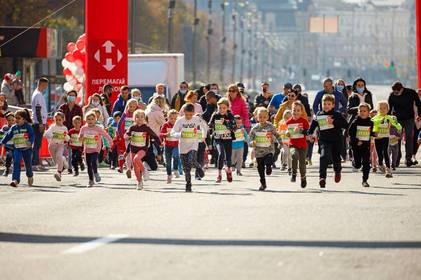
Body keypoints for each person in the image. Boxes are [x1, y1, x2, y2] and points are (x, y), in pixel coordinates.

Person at [308, 94, 348, 188]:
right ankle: (322, 178)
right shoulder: (319, 114)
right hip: (324, 140)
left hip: (336, 140)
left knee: (336, 159)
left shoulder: (337, 114)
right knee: (323, 157)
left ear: (333, 105)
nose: (326, 106)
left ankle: (337, 171)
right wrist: (309, 133)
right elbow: (313, 125)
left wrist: (333, 122)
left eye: (328, 104)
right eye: (324, 103)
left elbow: (345, 125)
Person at [171, 103, 206, 192]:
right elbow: (172, 132)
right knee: (186, 169)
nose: (189, 116)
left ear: (193, 113)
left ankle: (198, 168)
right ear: (183, 112)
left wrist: (203, 135)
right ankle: (188, 184)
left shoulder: (197, 119)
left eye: (190, 114)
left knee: (192, 159)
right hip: (183, 146)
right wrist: (179, 134)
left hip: (193, 144)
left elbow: (204, 126)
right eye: (187, 114)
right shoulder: (180, 121)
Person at [125, 109, 161, 190]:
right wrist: (127, 137)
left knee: (136, 159)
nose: (140, 119)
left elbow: (154, 135)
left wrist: (159, 142)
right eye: (137, 117)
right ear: (134, 118)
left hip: (143, 149)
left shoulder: (146, 128)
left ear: (144, 118)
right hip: (133, 148)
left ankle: (144, 171)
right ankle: (139, 182)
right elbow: (126, 134)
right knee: (136, 168)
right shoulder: (132, 127)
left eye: (142, 117)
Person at [388, 81, 421, 167]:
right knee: (397, 138)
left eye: (397, 92)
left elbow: (419, 104)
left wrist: (419, 115)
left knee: (409, 137)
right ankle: (397, 158)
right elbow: (389, 108)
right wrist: (387, 119)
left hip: (409, 118)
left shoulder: (411, 92)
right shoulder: (392, 95)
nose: (396, 93)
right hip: (397, 119)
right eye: (394, 92)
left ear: (402, 89)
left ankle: (408, 158)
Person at [249, 107, 280, 191]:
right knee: (260, 170)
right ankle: (263, 184)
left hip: (269, 150)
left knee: (268, 160)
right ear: (257, 117)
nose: (262, 119)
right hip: (258, 152)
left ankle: (269, 166)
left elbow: (277, 135)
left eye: (264, 117)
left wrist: (280, 143)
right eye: (260, 117)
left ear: (267, 117)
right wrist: (252, 143)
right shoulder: (254, 128)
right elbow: (250, 140)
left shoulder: (270, 126)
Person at [1, 109, 34, 187]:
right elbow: (8, 136)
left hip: (27, 149)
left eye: (18, 118)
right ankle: (15, 180)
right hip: (17, 149)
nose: (16, 120)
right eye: (15, 118)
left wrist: (30, 142)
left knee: (28, 165)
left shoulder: (28, 127)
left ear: (24, 119)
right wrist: (2, 142)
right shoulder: (13, 127)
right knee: (16, 163)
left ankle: (30, 176)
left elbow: (32, 135)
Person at [79, 111, 112, 187]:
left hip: (96, 149)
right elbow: (79, 139)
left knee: (93, 162)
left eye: (92, 119)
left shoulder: (98, 128)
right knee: (88, 165)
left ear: (95, 120)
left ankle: (96, 173)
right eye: (88, 119)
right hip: (87, 149)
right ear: (85, 120)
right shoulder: (83, 128)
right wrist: (82, 138)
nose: (90, 121)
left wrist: (110, 142)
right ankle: (91, 180)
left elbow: (105, 135)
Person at [372, 101, 402, 178]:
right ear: (378, 109)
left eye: (384, 108)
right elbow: (371, 125)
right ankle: (380, 163)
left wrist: (399, 128)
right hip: (377, 138)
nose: (382, 110)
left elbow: (396, 124)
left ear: (387, 109)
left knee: (385, 152)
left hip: (385, 137)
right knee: (379, 153)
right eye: (380, 108)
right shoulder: (375, 118)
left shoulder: (389, 118)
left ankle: (388, 170)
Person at [209, 98, 236, 183]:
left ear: (227, 108)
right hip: (218, 139)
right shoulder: (215, 115)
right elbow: (210, 124)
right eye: (220, 108)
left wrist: (225, 123)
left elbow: (234, 128)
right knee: (221, 154)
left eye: (224, 108)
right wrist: (211, 124)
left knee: (228, 157)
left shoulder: (230, 115)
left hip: (228, 139)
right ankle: (219, 174)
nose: (221, 110)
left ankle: (228, 170)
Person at [348, 103, 374, 188]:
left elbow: (371, 133)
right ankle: (354, 162)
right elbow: (350, 132)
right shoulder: (355, 121)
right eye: (361, 111)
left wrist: (375, 134)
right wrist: (356, 141)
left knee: (366, 163)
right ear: (358, 112)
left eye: (364, 111)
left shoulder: (371, 122)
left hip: (366, 146)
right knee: (358, 165)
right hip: (356, 146)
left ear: (368, 112)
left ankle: (365, 180)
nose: (362, 112)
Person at [58, 90, 83, 174]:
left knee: (71, 151)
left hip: (74, 132)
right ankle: (64, 165)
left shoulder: (78, 108)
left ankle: (70, 167)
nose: (71, 97)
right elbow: (58, 118)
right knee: (63, 150)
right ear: (67, 96)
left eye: (73, 95)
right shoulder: (62, 107)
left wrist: (80, 131)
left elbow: (81, 121)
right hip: (64, 131)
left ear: (75, 97)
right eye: (70, 95)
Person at [286, 101, 309, 188]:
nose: (296, 112)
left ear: (301, 111)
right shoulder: (288, 122)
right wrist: (287, 133)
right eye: (294, 110)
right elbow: (286, 131)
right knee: (294, 156)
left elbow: (307, 132)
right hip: (293, 144)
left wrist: (300, 130)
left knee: (302, 163)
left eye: (298, 110)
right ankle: (294, 173)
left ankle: (303, 178)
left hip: (303, 145)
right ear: (291, 111)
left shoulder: (304, 121)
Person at [44, 111, 70, 181]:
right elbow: (46, 134)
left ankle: (58, 173)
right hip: (52, 146)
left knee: (59, 157)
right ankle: (63, 160)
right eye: (56, 120)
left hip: (60, 145)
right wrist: (53, 135)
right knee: (56, 161)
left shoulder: (64, 128)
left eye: (59, 120)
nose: (58, 121)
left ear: (63, 120)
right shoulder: (52, 127)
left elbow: (66, 137)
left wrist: (67, 138)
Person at [117, 99, 139, 176]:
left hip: (137, 137)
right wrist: (122, 135)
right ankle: (128, 169)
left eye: (134, 106)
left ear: (136, 107)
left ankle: (137, 167)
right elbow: (119, 125)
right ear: (127, 106)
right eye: (130, 106)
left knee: (136, 153)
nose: (132, 108)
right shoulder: (125, 114)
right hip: (128, 137)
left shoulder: (138, 115)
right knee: (128, 153)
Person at [31, 77, 49, 171]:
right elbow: (38, 110)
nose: (46, 87)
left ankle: (36, 162)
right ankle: (34, 163)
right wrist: (41, 123)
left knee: (37, 144)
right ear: (42, 84)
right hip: (38, 122)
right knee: (37, 144)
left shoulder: (38, 94)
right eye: (45, 85)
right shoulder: (38, 95)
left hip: (39, 121)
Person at [160, 110, 180, 183]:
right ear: (168, 118)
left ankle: (175, 169)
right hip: (167, 146)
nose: (173, 120)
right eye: (171, 118)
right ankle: (169, 175)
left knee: (176, 156)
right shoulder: (165, 125)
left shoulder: (178, 125)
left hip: (176, 145)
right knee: (168, 162)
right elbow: (161, 134)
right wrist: (165, 134)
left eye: (175, 119)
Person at [0, 111, 15, 177]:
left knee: (16, 159)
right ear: (6, 120)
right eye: (9, 120)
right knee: (9, 156)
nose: (11, 121)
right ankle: (7, 169)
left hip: (16, 146)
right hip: (8, 146)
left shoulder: (16, 127)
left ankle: (15, 172)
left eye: (12, 120)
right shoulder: (4, 128)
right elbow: (1, 136)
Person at [279, 110, 292, 174]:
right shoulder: (281, 123)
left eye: (289, 117)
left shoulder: (292, 123)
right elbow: (279, 132)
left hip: (291, 142)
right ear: (283, 117)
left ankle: (290, 168)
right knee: (285, 152)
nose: (287, 119)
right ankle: (284, 163)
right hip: (284, 141)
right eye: (286, 117)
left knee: (290, 155)